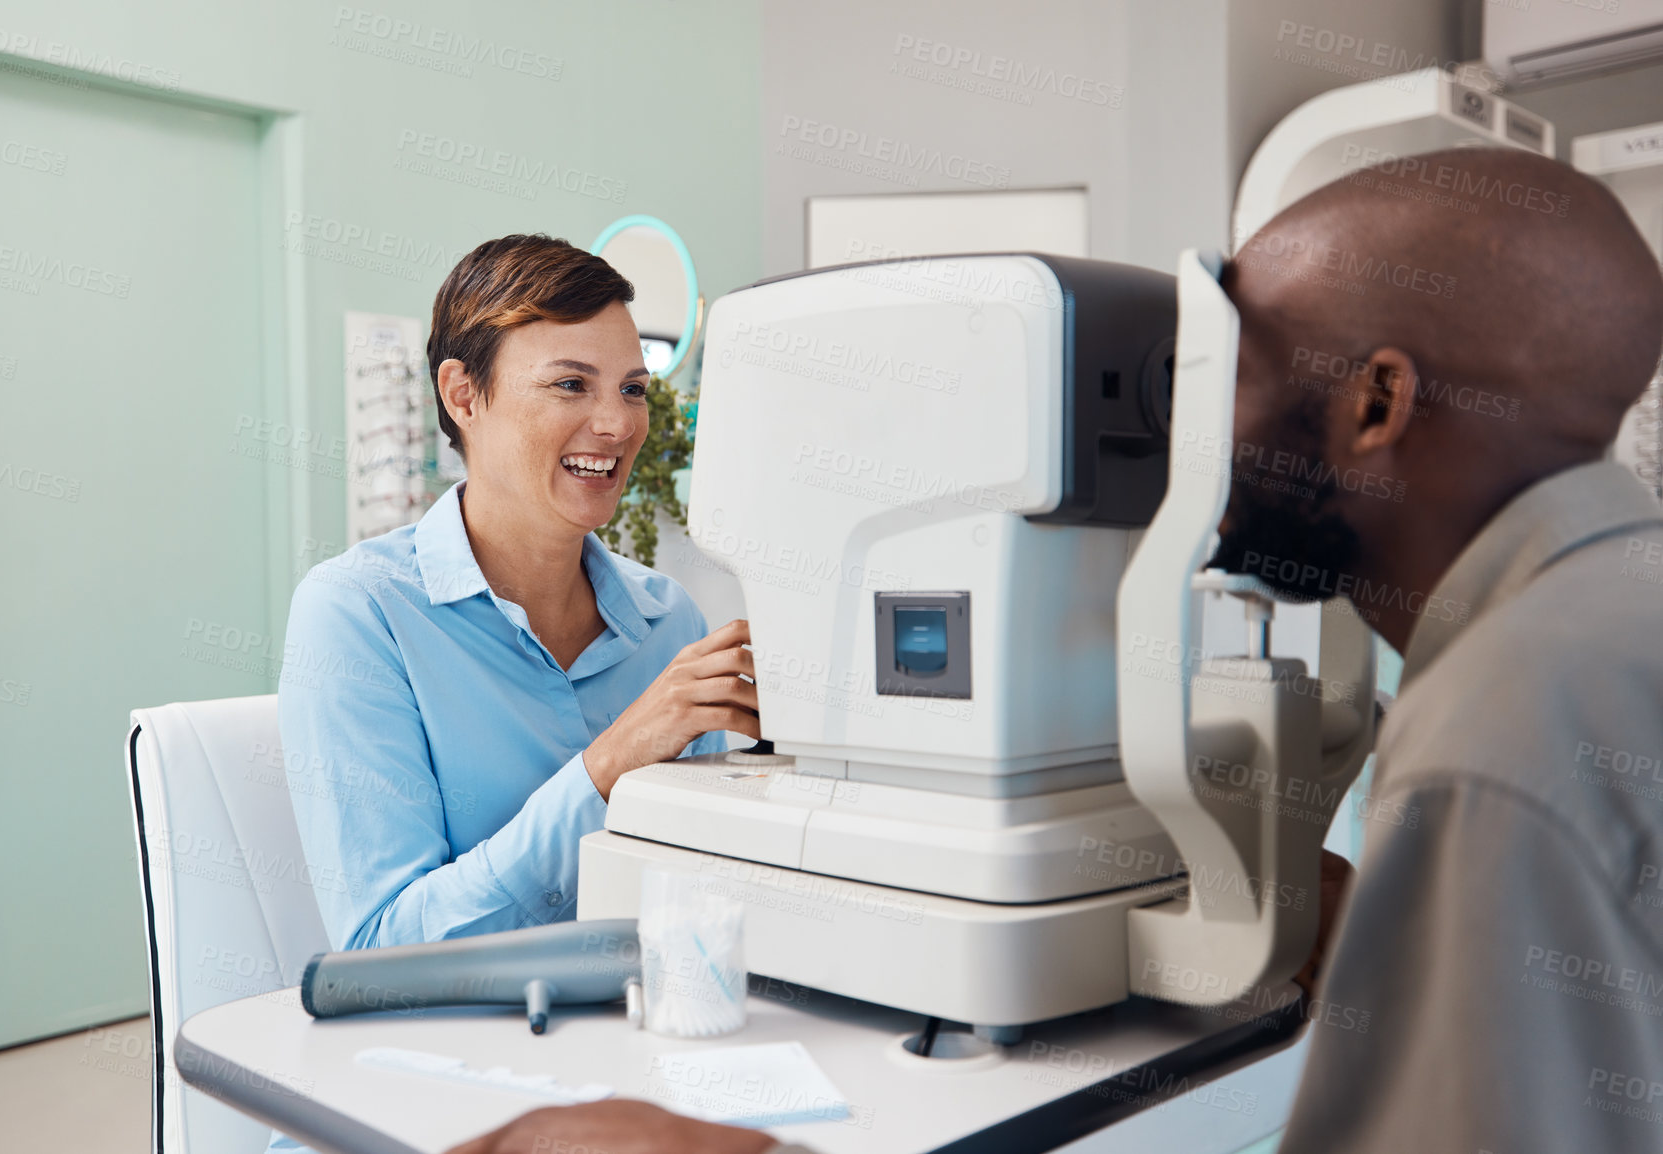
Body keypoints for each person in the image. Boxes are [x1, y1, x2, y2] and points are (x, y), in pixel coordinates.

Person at [440, 148, 1663, 1153]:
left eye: (1226, 373)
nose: (1185, 431)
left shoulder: (1502, 728)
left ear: (1377, 406)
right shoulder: (1602, 628)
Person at [278, 233, 761, 956]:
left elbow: (703, 883)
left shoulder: (669, 621)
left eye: (633, 388)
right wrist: (608, 766)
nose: (618, 423)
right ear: (463, 394)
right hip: (462, 1049)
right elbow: (383, 950)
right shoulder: (359, 614)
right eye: (571, 384)